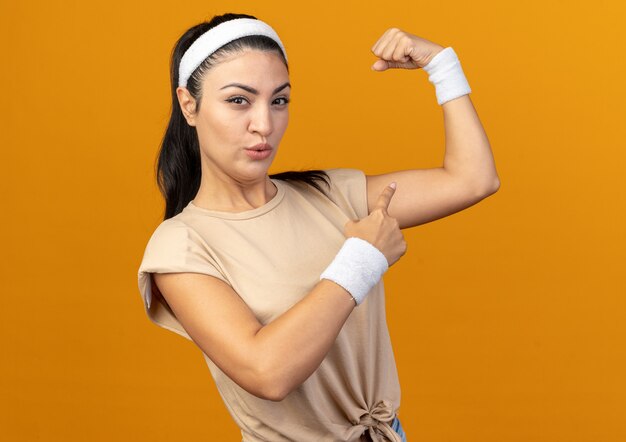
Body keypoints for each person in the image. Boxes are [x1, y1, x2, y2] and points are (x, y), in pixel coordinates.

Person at [137, 12, 499, 442]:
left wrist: (442, 66)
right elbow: (266, 372)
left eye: (279, 100)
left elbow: (473, 179)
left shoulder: (327, 193)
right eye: (239, 100)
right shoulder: (181, 246)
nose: (264, 125)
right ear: (189, 105)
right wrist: (362, 259)